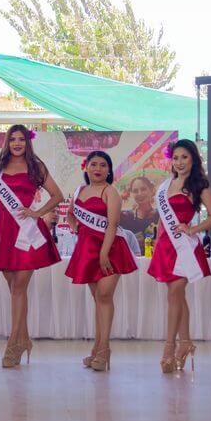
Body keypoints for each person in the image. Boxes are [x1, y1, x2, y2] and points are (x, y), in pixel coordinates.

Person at [0, 124, 63, 368]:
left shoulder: (36, 167)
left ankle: (13, 344)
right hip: (5, 232)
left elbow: (57, 195)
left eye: (21, 139)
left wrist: (37, 212)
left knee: (19, 287)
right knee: (14, 288)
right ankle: (25, 339)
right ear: (7, 143)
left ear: (28, 143)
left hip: (27, 232)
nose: (17, 143)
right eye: (13, 139)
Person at [148, 139, 211, 373]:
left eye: (184, 157)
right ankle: (186, 342)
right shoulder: (166, 185)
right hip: (166, 246)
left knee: (175, 294)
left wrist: (193, 229)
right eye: (176, 158)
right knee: (176, 295)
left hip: (185, 248)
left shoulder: (200, 185)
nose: (179, 162)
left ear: (193, 159)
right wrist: (158, 240)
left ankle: (169, 347)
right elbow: (161, 219)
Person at [66, 151, 137, 371]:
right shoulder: (80, 190)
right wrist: (74, 226)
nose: (98, 168)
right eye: (93, 164)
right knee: (98, 299)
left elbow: (113, 224)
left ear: (109, 169)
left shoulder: (110, 191)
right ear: (86, 167)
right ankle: (97, 349)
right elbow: (70, 214)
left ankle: (104, 349)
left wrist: (104, 253)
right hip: (87, 250)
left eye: (103, 165)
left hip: (111, 248)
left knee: (105, 296)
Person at [120, 176, 158, 246]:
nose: (139, 193)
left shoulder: (161, 215)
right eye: (135, 191)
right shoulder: (125, 217)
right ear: (131, 194)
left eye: (143, 189)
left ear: (151, 190)